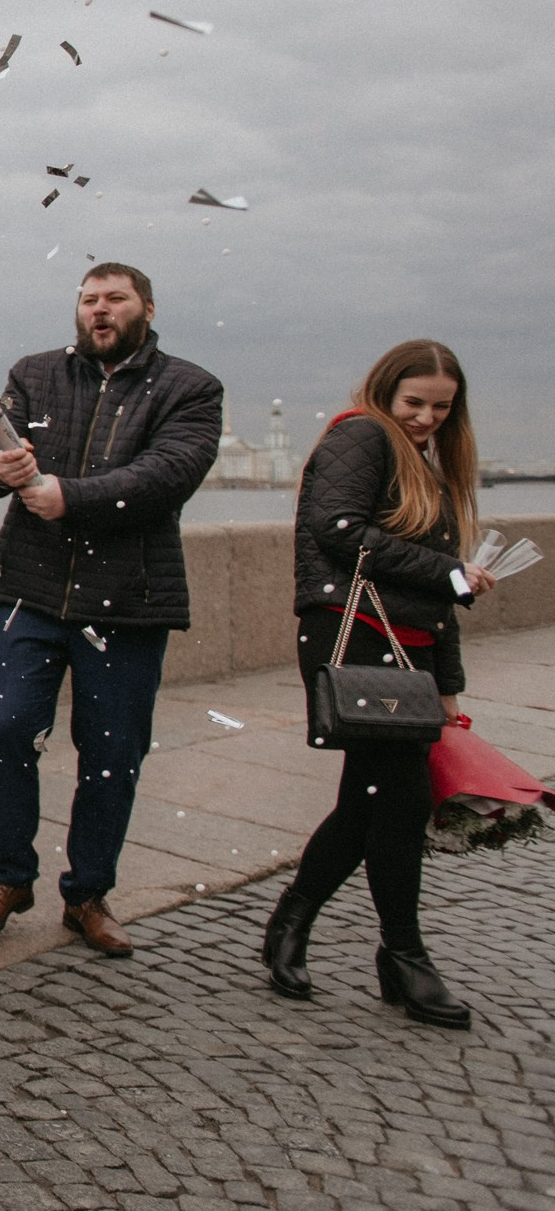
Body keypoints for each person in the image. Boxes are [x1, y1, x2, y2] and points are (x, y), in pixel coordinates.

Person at [0, 263, 223, 956]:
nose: (100, 310)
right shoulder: (36, 372)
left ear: (146, 308)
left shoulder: (191, 388)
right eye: (89, 299)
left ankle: (89, 894)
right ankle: (9, 876)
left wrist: (72, 496)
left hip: (128, 601)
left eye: (115, 299)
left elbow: (169, 473)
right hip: (29, 589)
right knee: (6, 729)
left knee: (111, 753)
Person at [263, 341, 491, 1028]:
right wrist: (446, 573)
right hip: (353, 633)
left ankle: (298, 922)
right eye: (414, 403)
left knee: (377, 801)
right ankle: (404, 956)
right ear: (386, 392)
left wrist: (448, 687)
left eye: (441, 408)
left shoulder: (424, 462)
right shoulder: (361, 435)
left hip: (407, 648)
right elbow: (338, 530)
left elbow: (436, 600)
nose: (426, 418)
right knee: (395, 796)